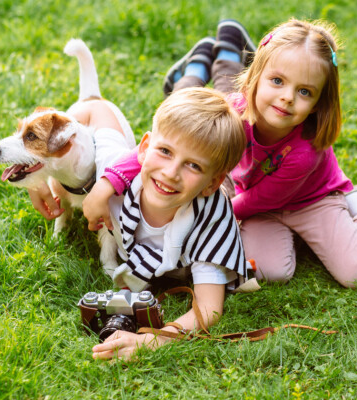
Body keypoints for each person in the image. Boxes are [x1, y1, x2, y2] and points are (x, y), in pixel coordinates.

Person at [88, 18, 357, 289]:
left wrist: (210, 220)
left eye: (304, 92)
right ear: (256, 74)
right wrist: (107, 184)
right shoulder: (234, 112)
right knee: (271, 271)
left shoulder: (305, 150)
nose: (287, 97)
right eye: (278, 81)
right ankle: (298, 240)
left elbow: (258, 200)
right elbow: (164, 148)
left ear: (318, 103)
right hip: (259, 204)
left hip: (312, 202)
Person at [82, 87, 256, 360]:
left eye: (193, 166)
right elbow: (97, 110)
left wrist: (157, 340)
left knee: (231, 112)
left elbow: (209, 308)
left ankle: (223, 56)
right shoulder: (111, 182)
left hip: (219, 196)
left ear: (212, 182)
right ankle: (195, 71)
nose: (170, 173)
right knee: (189, 95)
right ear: (143, 148)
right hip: (156, 170)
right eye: (164, 151)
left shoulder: (210, 221)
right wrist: (47, 185)